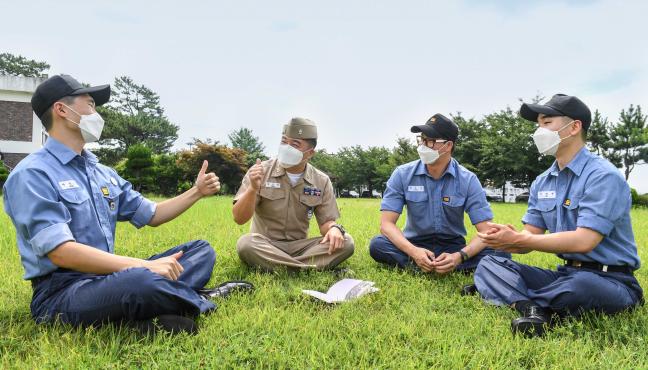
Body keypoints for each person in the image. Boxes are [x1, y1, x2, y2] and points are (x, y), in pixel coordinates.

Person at [3, 74, 253, 335]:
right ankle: (201, 299)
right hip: (63, 291)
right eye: (90, 104)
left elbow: (152, 214)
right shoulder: (32, 174)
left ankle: (147, 309)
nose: (95, 112)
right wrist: (143, 266)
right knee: (140, 280)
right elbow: (60, 252)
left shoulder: (102, 172)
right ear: (62, 110)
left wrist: (197, 192)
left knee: (200, 252)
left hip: (109, 278)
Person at [472, 94, 643, 337]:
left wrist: (521, 240)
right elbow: (528, 238)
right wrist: (507, 238)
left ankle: (507, 293)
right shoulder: (542, 182)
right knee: (490, 263)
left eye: (547, 122)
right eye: (538, 124)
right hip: (566, 273)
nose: (539, 130)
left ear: (574, 127)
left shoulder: (602, 176)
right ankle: (532, 309)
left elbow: (585, 241)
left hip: (610, 280)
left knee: (581, 287)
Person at [369, 114, 510, 276]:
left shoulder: (468, 180)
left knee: (501, 250)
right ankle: (425, 265)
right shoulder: (402, 174)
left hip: (452, 246)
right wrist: (414, 252)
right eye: (422, 140)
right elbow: (386, 225)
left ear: (448, 145)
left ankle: (442, 266)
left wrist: (459, 256)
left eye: (430, 141)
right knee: (377, 244)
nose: (423, 146)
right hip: (414, 243)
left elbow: (486, 232)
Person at [233, 118, 354, 272]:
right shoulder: (260, 171)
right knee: (245, 244)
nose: (286, 147)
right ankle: (306, 269)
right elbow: (239, 218)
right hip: (266, 244)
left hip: (300, 247)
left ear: (310, 153)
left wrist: (334, 229)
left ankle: (283, 267)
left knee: (346, 241)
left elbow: (326, 223)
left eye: (295, 144)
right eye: (284, 141)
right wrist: (252, 188)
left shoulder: (321, 181)